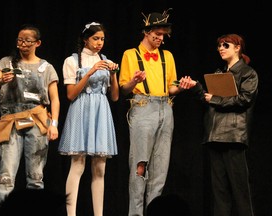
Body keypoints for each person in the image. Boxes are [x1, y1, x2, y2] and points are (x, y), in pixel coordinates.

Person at [118, 9, 194, 216]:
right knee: (140, 166)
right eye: (157, 34)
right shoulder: (130, 55)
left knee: (160, 168)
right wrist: (135, 80)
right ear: (146, 31)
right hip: (143, 108)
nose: (161, 39)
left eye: (163, 35)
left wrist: (182, 87)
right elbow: (123, 89)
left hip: (165, 108)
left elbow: (171, 87)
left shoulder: (167, 56)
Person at [0, 24, 60, 215]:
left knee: (35, 177)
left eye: (27, 40)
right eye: (20, 40)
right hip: (10, 122)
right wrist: (1, 80)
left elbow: (55, 99)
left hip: (37, 121)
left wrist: (54, 125)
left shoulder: (46, 67)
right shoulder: (6, 62)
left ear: (37, 43)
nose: (22, 44)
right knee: (6, 176)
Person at [188, 33, 257, 216]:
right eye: (219, 46)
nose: (221, 48)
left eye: (225, 45)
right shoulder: (220, 73)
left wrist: (216, 99)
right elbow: (209, 101)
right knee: (219, 192)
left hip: (234, 136)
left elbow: (245, 99)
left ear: (237, 48)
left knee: (240, 190)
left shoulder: (248, 73)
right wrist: (197, 88)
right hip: (215, 135)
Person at [58, 21, 119, 216]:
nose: (99, 42)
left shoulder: (106, 60)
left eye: (102, 39)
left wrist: (113, 74)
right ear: (86, 39)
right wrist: (90, 72)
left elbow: (115, 96)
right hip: (81, 109)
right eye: (95, 38)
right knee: (77, 165)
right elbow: (70, 95)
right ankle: (71, 213)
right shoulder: (73, 61)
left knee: (100, 168)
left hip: (101, 110)